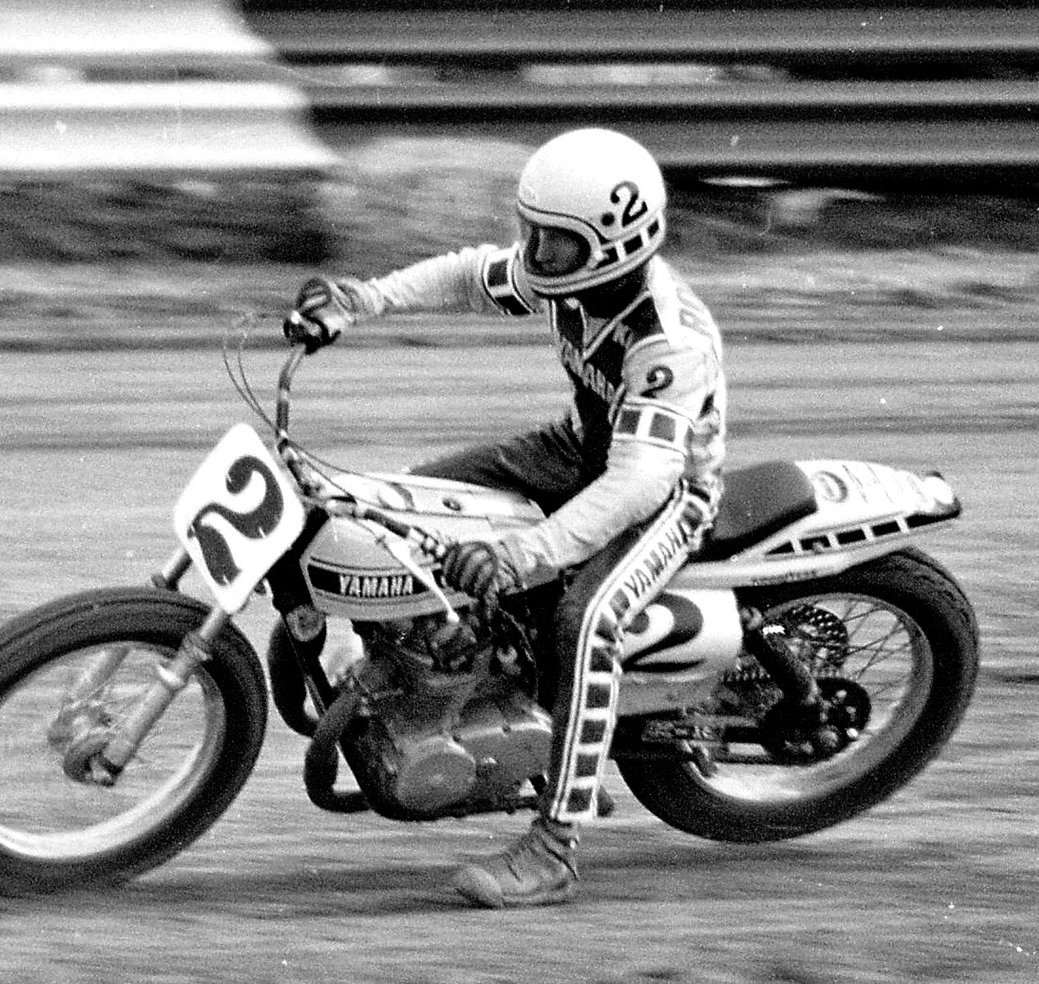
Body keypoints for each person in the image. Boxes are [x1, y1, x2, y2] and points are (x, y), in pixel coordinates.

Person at [283, 127, 727, 908]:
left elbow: (638, 482)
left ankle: (555, 847)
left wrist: (523, 554)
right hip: (581, 448)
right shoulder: (566, 276)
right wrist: (360, 300)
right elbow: (467, 275)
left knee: (585, 622)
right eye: (532, 229)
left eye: (555, 240)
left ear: (615, 244)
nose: (534, 251)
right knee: (402, 499)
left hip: (664, 495)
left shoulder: (666, 341)